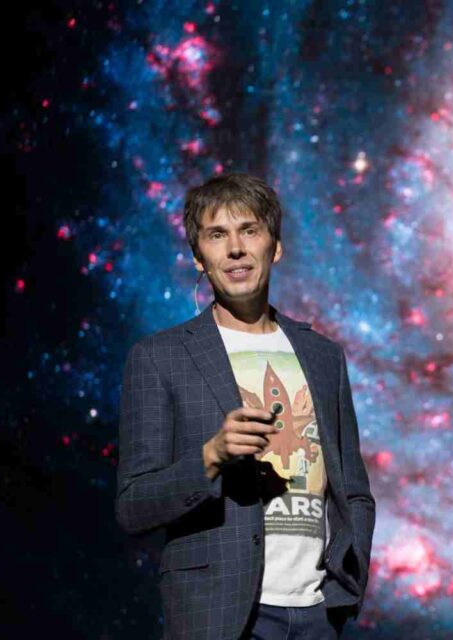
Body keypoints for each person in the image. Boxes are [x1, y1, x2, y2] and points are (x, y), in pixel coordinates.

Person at [115, 172, 375, 639]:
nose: (235, 249)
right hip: (221, 616)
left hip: (317, 613)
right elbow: (133, 506)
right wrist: (211, 457)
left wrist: (345, 585)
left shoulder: (323, 356)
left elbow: (353, 489)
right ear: (199, 257)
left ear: (275, 247)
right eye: (217, 235)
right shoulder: (160, 357)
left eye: (249, 230)